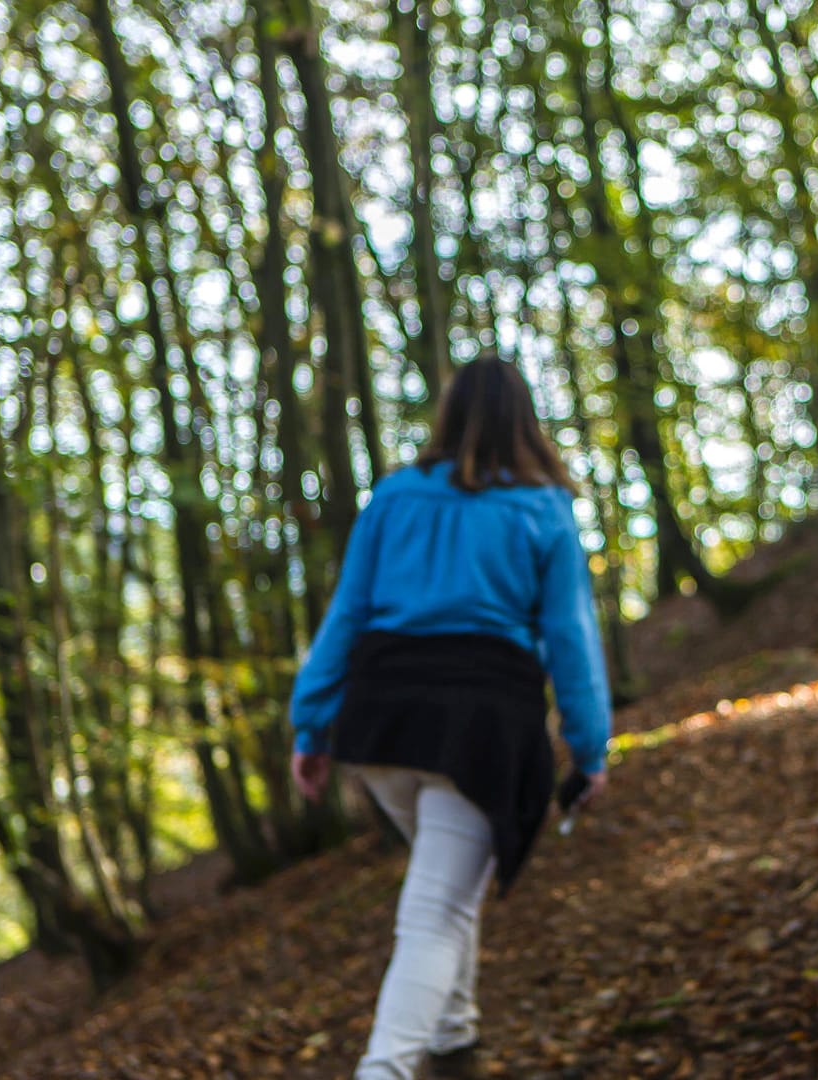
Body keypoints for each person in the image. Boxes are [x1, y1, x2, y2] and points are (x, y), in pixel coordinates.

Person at [288, 356, 612, 1080]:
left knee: (444, 893)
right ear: (524, 421)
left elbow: (346, 617)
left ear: (448, 415)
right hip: (479, 730)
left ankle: (456, 1045)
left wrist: (310, 726)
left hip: (382, 724)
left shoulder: (395, 498)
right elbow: (571, 640)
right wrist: (591, 750)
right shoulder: (544, 509)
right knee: (437, 911)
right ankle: (388, 1071)